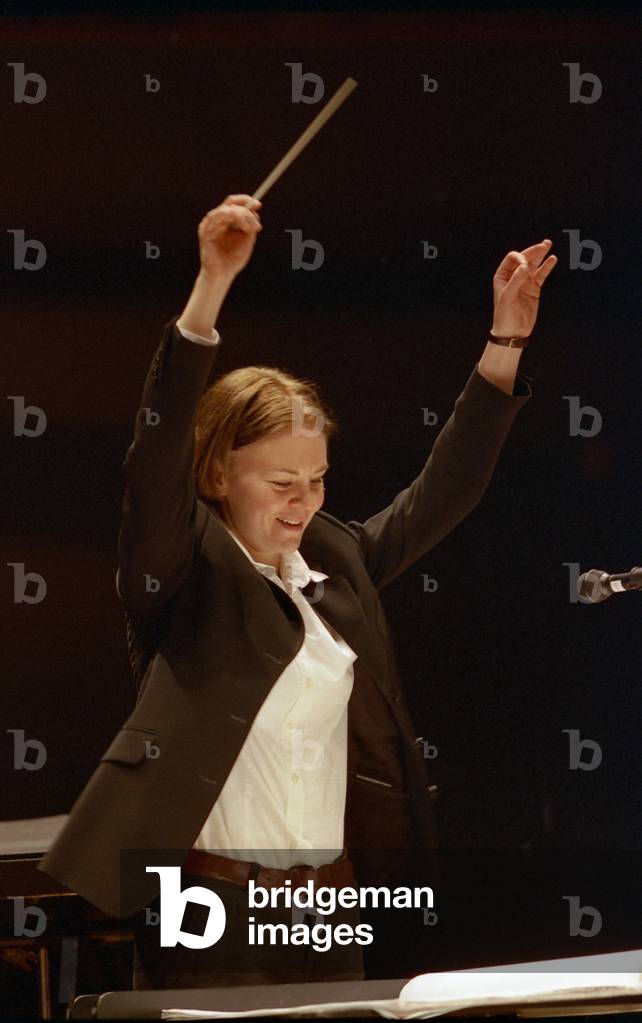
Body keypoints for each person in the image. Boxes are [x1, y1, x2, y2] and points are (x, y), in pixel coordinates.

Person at [37, 193, 556, 990]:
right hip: (210, 904)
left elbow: (442, 492)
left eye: (315, 480)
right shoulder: (178, 569)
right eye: (281, 482)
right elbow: (155, 454)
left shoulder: (333, 562)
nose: (303, 500)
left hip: (329, 904)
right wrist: (210, 287)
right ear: (218, 473)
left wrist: (506, 337)